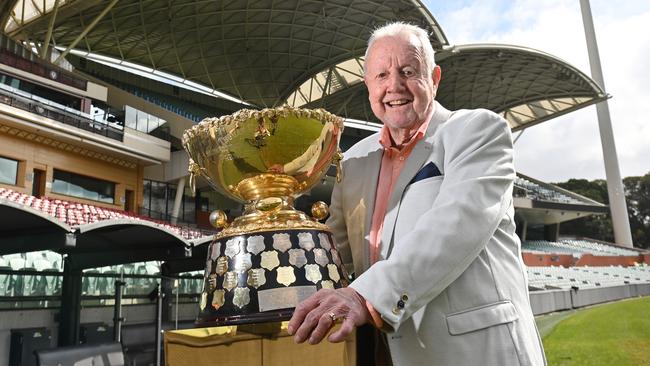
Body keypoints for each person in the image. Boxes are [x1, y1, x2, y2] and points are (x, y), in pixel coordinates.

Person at [287, 22, 547, 365]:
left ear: (435, 78)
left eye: (408, 71)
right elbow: (340, 256)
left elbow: (456, 225)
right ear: (368, 85)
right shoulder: (353, 161)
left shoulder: (478, 131)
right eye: (381, 75)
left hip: (476, 353)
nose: (394, 85)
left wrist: (364, 296)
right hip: (384, 354)